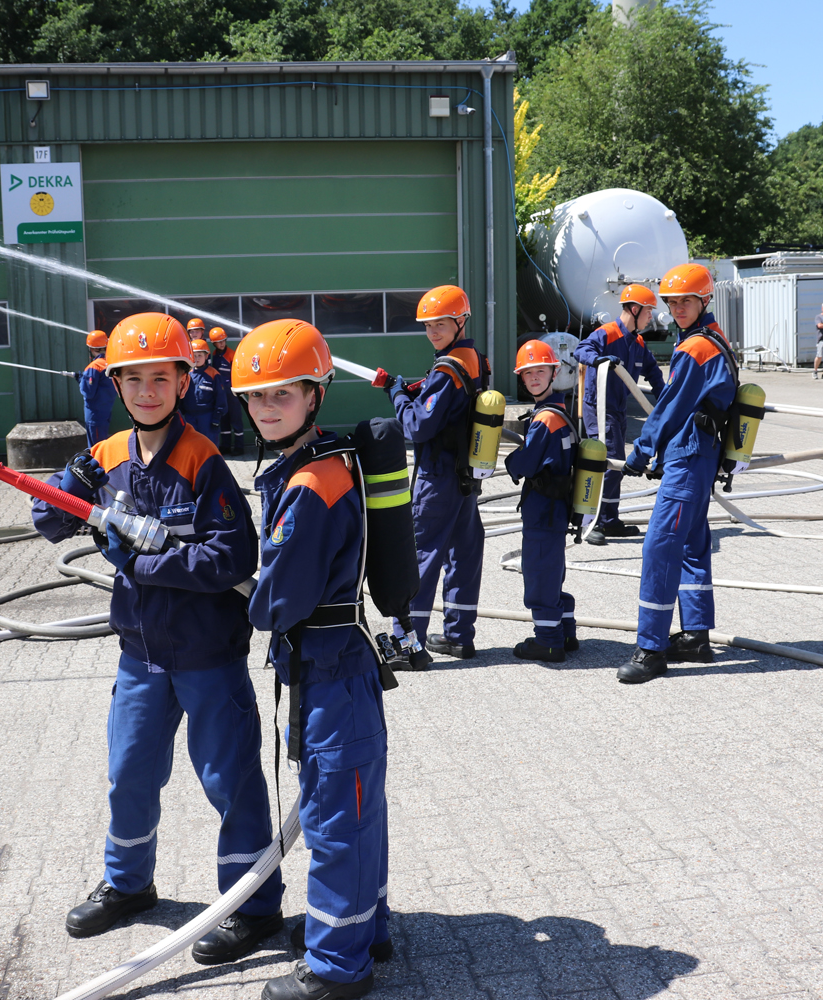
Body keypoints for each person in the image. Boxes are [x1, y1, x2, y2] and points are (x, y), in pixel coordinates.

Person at [29, 313, 284, 958]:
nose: (147, 391)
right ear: (115, 385)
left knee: (230, 780)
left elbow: (233, 557)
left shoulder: (203, 461)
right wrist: (74, 481)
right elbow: (47, 521)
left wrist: (145, 562)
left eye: (160, 379)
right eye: (133, 379)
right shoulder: (110, 455)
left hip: (207, 655)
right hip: (140, 654)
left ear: (182, 382)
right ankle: (128, 885)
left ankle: (253, 907)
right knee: (130, 773)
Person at [234, 319, 391, 1000]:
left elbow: (279, 601)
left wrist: (244, 595)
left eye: (283, 394)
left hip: (331, 672)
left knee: (334, 819)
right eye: (257, 396)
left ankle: (336, 967)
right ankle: (364, 929)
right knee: (356, 811)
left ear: (314, 396)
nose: (267, 407)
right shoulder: (324, 462)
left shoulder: (309, 485)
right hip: (336, 668)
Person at [617, 264, 737, 685]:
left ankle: (650, 650)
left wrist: (642, 451)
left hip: (688, 458)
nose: (678, 308)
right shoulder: (714, 338)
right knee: (692, 544)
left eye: (687, 300)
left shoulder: (695, 348)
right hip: (699, 454)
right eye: (672, 302)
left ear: (704, 300)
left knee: (660, 548)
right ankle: (695, 636)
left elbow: (670, 407)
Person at [372, 284, 486, 661]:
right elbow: (447, 405)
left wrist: (397, 395)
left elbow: (418, 426)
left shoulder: (446, 368)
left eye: (440, 324)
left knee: (420, 556)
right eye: (427, 325)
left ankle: (407, 644)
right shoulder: (474, 359)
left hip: (438, 478)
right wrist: (406, 389)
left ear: (460, 321)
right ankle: (459, 636)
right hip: (466, 476)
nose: (432, 332)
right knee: (463, 554)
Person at [570, 284, 667, 544]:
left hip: (618, 408)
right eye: (648, 311)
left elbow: (654, 374)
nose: (651, 317)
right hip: (598, 408)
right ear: (634, 309)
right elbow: (581, 350)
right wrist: (599, 360)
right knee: (609, 462)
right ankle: (593, 521)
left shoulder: (638, 343)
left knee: (614, 464)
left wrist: (667, 404)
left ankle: (609, 520)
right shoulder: (607, 334)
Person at [503, 340, 579, 663]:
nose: (534, 377)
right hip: (557, 508)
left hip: (543, 510)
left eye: (540, 371)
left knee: (538, 572)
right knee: (552, 570)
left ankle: (548, 642)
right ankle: (565, 632)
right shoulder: (560, 411)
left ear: (554, 372)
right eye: (528, 373)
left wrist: (510, 461)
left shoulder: (545, 419)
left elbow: (526, 463)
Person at [179, 337, 227, 441]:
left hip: (207, 418)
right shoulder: (186, 374)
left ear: (206, 356)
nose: (197, 358)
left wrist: (216, 418)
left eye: (200, 355)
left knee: (209, 445)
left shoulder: (214, 374)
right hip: (190, 417)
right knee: (192, 444)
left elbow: (220, 398)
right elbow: (181, 395)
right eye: (194, 355)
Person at [210, 326, 246, 456]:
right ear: (214, 343)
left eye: (223, 341)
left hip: (232, 394)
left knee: (236, 420)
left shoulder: (231, 354)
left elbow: (238, 372)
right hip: (220, 393)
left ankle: (239, 447)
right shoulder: (214, 355)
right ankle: (225, 446)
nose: (221, 343)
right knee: (224, 420)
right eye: (218, 342)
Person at [79, 329, 116, 447]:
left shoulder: (94, 366)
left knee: (96, 448)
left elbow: (88, 392)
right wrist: (84, 378)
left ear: (92, 349)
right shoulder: (109, 363)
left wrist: (82, 380)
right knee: (102, 444)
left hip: (94, 414)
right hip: (105, 412)